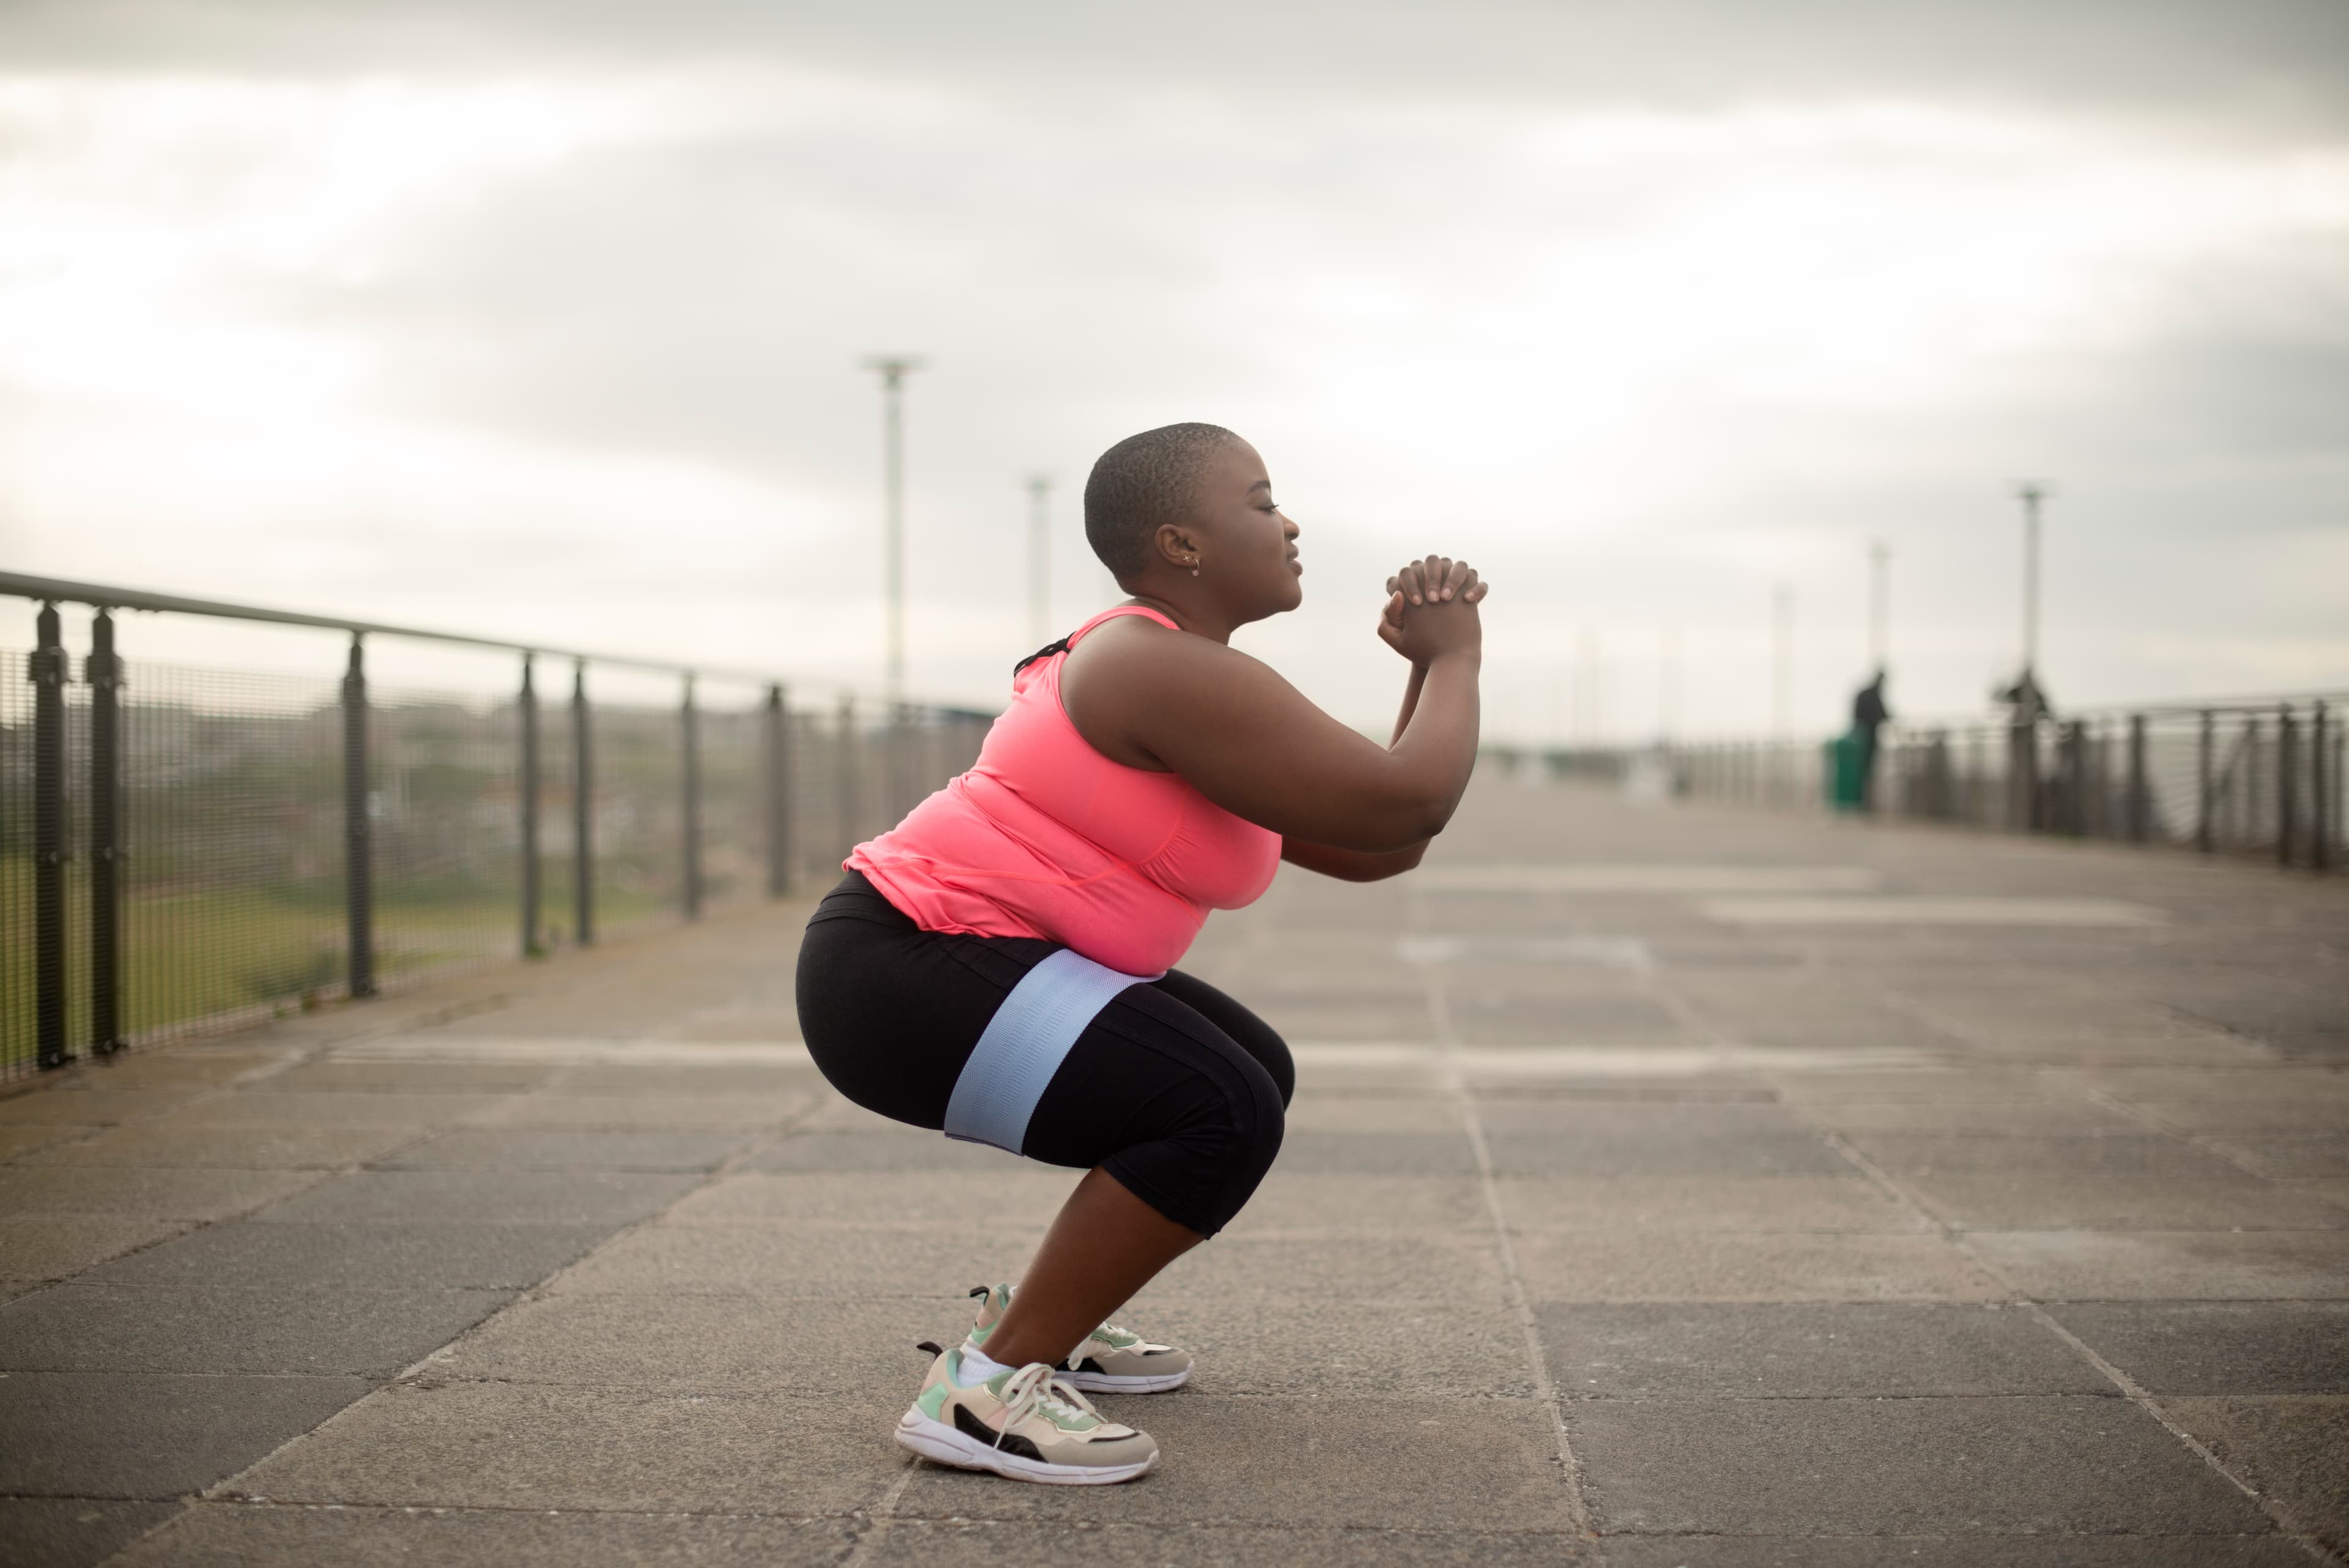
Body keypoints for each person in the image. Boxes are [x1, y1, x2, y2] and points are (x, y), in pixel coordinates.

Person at [793, 422, 1488, 1485]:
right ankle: (987, 1391)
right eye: (1262, 501)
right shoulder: (1149, 662)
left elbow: (1381, 842)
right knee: (1216, 1102)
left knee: (1248, 1062)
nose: (1290, 520)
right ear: (1182, 543)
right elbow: (1415, 795)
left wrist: (1425, 681)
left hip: (927, 964)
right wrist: (1455, 657)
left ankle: (1043, 1323)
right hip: (905, 967)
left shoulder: (1188, 677)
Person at [1852, 669, 1890, 811]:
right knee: (1866, 771)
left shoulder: (1868, 694)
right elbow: (1884, 715)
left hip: (1862, 738)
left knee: (1863, 771)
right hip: (1867, 738)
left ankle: (1863, 803)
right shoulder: (1873, 695)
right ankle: (1863, 804)